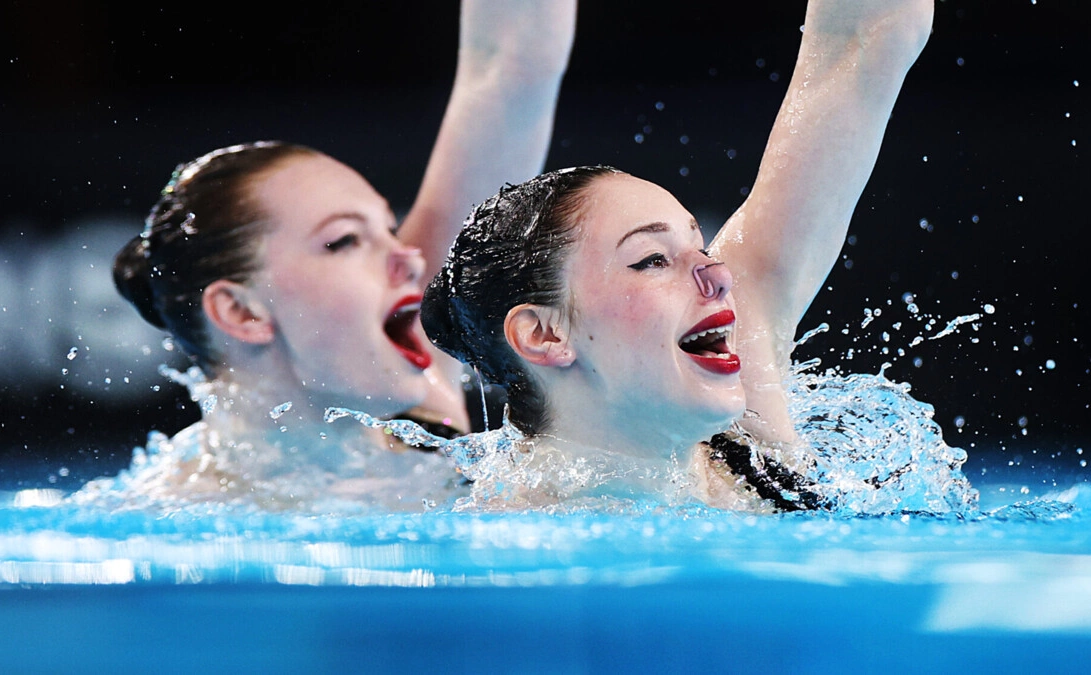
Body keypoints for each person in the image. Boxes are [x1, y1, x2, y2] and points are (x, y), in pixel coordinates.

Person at [422, 0, 970, 511]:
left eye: (699, 245)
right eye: (653, 259)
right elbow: (510, 63)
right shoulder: (492, 559)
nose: (718, 275)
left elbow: (866, 38)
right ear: (544, 335)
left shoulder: (752, 437)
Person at [93, 1, 577, 511]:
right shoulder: (181, 517)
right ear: (241, 311)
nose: (409, 260)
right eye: (344, 241)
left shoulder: (423, 424)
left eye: (388, 230)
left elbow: (513, 67)